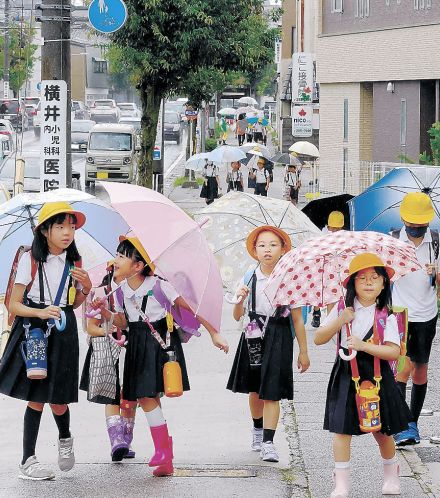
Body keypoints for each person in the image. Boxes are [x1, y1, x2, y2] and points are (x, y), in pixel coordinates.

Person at [97, 236, 229, 477]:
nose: (115, 260)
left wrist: (214, 333)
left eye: (122, 256)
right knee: (151, 400)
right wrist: (105, 312)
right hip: (136, 344)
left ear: (138, 266)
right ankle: (166, 459)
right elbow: (124, 322)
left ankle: (162, 452)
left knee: (146, 397)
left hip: (158, 344)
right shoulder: (120, 291)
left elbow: (193, 309)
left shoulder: (159, 285)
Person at [0, 201, 92, 480]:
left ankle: (65, 438)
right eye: (61, 226)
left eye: (71, 227)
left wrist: (85, 286)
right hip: (34, 330)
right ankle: (28, 460)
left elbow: (75, 303)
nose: (67, 233)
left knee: (60, 398)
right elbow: (14, 305)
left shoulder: (75, 262)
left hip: (63, 329)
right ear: (44, 231)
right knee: (36, 397)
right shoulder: (30, 259)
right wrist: (40, 311)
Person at [314, 253, 412, 497]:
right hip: (347, 373)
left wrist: (363, 345)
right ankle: (341, 482)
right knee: (341, 430)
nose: (368, 282)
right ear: (352, 283)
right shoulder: (341, 308)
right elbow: (318, 338)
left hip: (378, 376)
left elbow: (392, 351)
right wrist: (340, 320)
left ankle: (391, 473)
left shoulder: (387, 314)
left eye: (375, 278)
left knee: (383, 430)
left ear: (383, 284)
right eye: (362, 278)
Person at [227, 226, 310, 463]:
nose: (267, 250)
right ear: (254, 250)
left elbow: (297, 318)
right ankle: (257, 430)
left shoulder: (290, 278)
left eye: (273, 245)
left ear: (284, 249)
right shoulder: (249, 277)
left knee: (272, 392)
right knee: (255, 390)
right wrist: (239, 299)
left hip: (280, 334)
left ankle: (268, 443)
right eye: (262, 245)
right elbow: (236, 316)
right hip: (253, 334)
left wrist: (303, 351)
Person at [391, 192, 440, 446]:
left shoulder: (435, 241)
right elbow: (380, 278)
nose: (416, 231)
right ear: (403, 219)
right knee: (402, 368)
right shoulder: (392, 240)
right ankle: (401, 425)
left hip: (427, 315)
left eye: (421, 226)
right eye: (412, 225)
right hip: (400, 313)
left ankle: (413, 424)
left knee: (420, 369)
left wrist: (437, 273)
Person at [80, 262, 137, 462]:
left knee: (130, 396)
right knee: (112, 395)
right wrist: (110, 331)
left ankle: (126, 441)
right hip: (109, 352)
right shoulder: (101, 294)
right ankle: (116, 441)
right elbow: (91, 328)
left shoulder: (135, 292)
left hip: (131, 349)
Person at [311, 211, 345, 328]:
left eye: (337, 228)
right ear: (328, 225)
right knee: (318, 291)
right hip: (321, 268)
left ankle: (330, 322)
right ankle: (316, 313)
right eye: (333, 228)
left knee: (332, 295)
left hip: (335, 271)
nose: (335, 231)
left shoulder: (344, 237)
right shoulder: (321, 235)